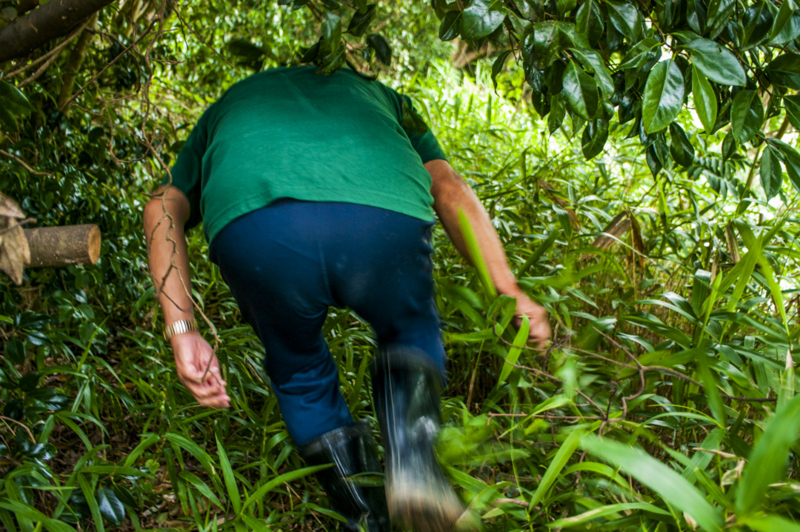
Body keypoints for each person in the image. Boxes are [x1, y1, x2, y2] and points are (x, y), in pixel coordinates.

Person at [143, 65, 550, 532]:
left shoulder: (231, 103)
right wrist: (508, 288)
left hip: (259, 233)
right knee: (409, 330)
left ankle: (367, 518)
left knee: (299, 371)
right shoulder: (382, 96)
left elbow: (161, 205)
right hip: (379, 221)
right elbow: (447, 187)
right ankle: (415, 466)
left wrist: (183, 329)